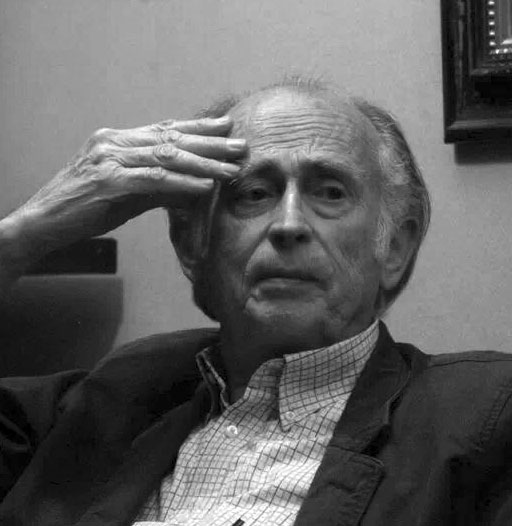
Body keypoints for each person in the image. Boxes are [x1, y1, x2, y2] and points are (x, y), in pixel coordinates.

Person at [1, 79, 512, 526]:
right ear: (192, 244)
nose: (289, 224)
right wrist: (24, 233)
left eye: (331, 192)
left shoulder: (481, 415)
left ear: (395, 247)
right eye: (253, 193)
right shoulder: (120, 389)